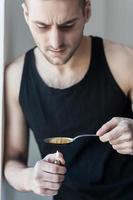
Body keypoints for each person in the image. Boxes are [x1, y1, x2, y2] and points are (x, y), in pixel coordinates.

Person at [4, 0, 133, 199]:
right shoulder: (14, 76)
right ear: (26, 15)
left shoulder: (125, 62)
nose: (55, 42)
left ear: (87, 11)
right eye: (42, 26)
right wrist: (29, 178)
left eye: (67, 25)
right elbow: (12, 159)